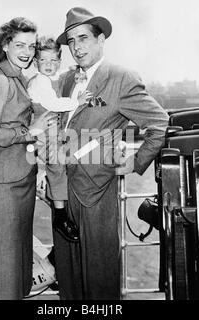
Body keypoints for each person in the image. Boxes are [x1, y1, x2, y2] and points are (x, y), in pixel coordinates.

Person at [49, 7, 169, 300]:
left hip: (96, 192)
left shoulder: (120, 78)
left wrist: (136, 163)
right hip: (63, 195)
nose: (77, 47)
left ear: (101, 39)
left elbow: (159, 122)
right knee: (69, 278)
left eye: (84, 38)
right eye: (72, 41)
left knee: (100, 279)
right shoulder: (65, 80)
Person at [0, 17, 57, 300]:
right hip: (2, 184)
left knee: (14, 264)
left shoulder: (20, 79)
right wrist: (29, 131)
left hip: (19, 180)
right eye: (19, 44)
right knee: (4, 264)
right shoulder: (0, 81)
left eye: (31, 46)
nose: (26, 51)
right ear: (5, 46)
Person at [27, 36, 92, 242]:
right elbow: (53, 103)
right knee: (56, 165)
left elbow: (60, 78)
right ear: (36, 63)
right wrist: (77, 102)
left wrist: (75, 73)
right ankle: (60, 215)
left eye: (54, 61)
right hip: (44, 129)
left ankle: (59, 202)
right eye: (44, 61)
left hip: (53, 129)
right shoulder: (38, 82)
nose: (49, 65)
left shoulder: (49, 78)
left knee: (62, 163)